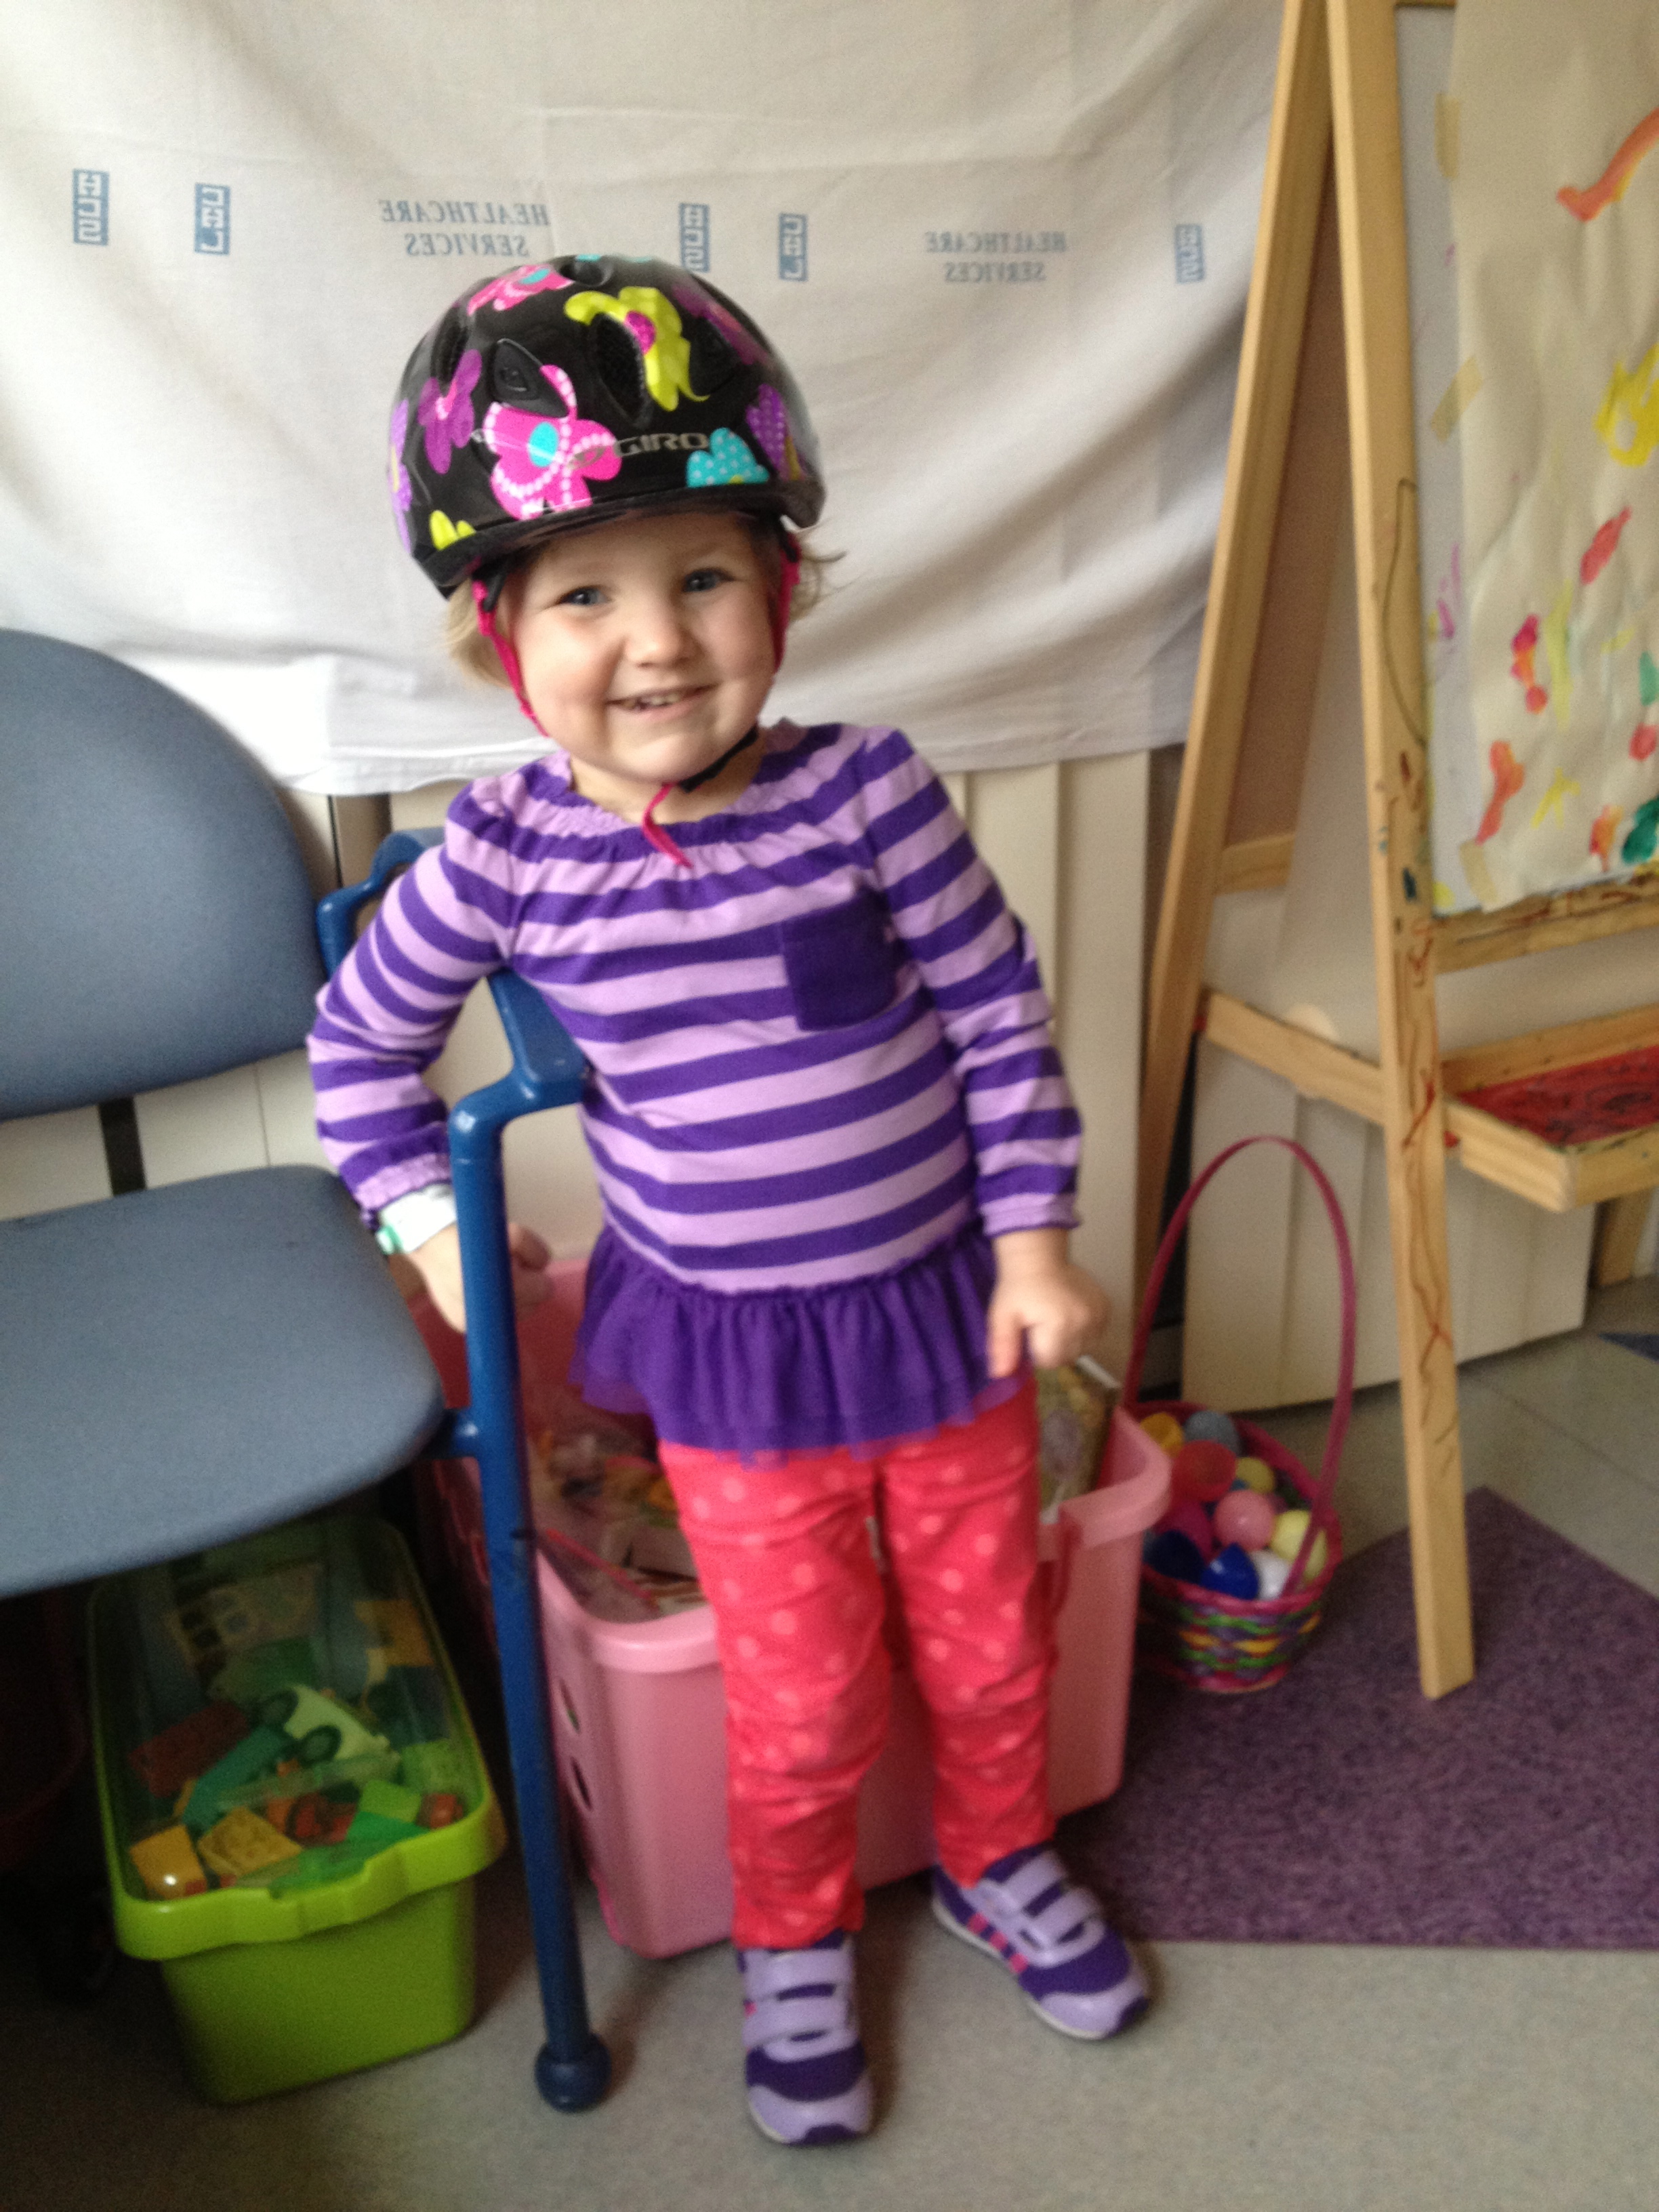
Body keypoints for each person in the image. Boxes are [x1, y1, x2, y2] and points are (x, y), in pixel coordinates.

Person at [309, 253, 1147, 2146]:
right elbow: (357, 1053)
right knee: (798, 1698)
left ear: (782, 589)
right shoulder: (498, 856)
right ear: (496, 638)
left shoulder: (873, 796)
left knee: (991, 1641)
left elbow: (998, 1015)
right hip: (732, 1366)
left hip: (945, 1319)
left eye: (702, 576)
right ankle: (793, 1938)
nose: (658, 642)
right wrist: (432, 1235)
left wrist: (1035, 1238)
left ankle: (999, 1858)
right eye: (585, 595)